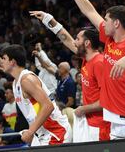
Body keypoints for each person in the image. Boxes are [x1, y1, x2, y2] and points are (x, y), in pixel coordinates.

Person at [46, 0, 125, 139]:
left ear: (116, 23)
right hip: (116, 123)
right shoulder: (109, 40)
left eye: (106, 20)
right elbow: (89, 10)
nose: (103, 23)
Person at [29, 10, 110, 141]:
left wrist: (83, 109)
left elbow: (107, 100)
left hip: (101, 126)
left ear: (87, 43)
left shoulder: (99, 63)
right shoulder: (86, 60)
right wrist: (48, 19)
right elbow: (65, 38)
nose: (74, 42)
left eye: (77, 39)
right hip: (90, 122)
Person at [0, 44, 71, 145]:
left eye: (4, 59)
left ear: (13, 62)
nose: (2, 62)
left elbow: (48, 106)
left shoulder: (27, 80)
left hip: (56, 132)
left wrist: (30, 131)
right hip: (44, 133)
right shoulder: (16, 82)